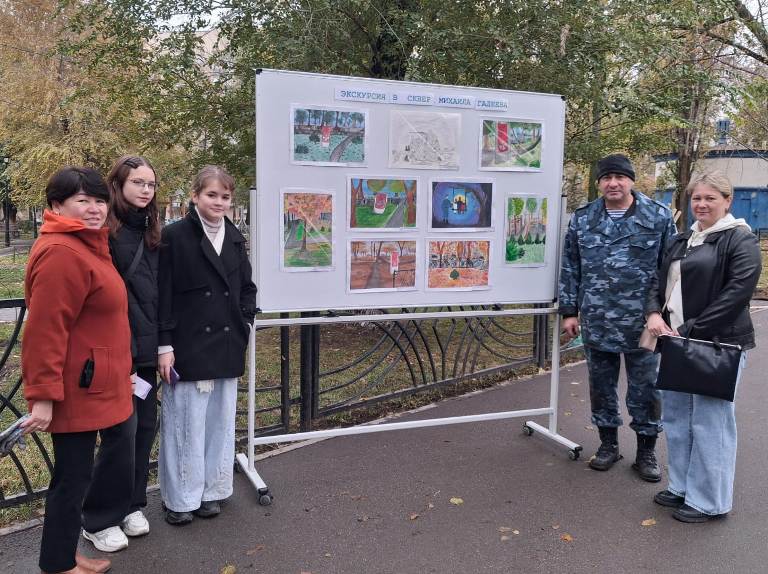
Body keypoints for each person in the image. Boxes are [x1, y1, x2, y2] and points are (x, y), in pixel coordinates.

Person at [21, 167, 134, 574]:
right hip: (75, 388)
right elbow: (44, 330)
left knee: (77, 476)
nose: (94, 208)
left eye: (100, 200)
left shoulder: (86, 245)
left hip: (97, 381)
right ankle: (57, 564)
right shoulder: (62, 252)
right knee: (71, 480)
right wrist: (42, 397)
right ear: (57, 205)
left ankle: (63, 557)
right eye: (82, 200)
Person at [645, 171, 760, 522]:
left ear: (728, 200)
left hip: (716, 345)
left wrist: (689, 329)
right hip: (675, 342)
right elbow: (657, 279)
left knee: (711, 423)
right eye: (697, 198)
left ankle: (709, 500)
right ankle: (681, 486)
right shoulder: (684, 239)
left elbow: (736, 294)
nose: (702, 204)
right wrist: (652, 313)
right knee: (678, 419)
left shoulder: (740, 240)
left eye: (710, 198)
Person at [559, 153, 675, 481]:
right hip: (597, 317)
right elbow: (571, 265)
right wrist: (570, 311)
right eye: (607, 177)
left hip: (645, 322)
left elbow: (671, 269)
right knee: (601, 386)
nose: (613, 183)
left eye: (620, 177)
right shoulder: (583, 219)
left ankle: (646, 452)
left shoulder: (658, 216)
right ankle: (608, 444)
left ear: (631, 181)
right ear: (598, 182)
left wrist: (665, 313)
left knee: (647, 387)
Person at [157, 165, 257, 525]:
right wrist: (164, 345)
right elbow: (162, 295)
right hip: (188, 344)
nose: (218, 202)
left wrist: (245, 318)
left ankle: (213, 491)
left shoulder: (234, 237)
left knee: (220, 421)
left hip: (228, 342)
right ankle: (180, 498)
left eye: (225, 196)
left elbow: (247, 285)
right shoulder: (174, 236)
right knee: (185, 424)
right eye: (211, 195)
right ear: (195, 195)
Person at [80, 156, 160, 549]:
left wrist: (163, 344)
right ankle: (97, 517)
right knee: (118, 435)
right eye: (138, 183)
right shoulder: (106, 233)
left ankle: (131, 504)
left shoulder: (151, 231)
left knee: (144, 429)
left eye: (151, 183)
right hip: (115, 352)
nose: (146, 190)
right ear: (119, 185)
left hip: (146, 352)